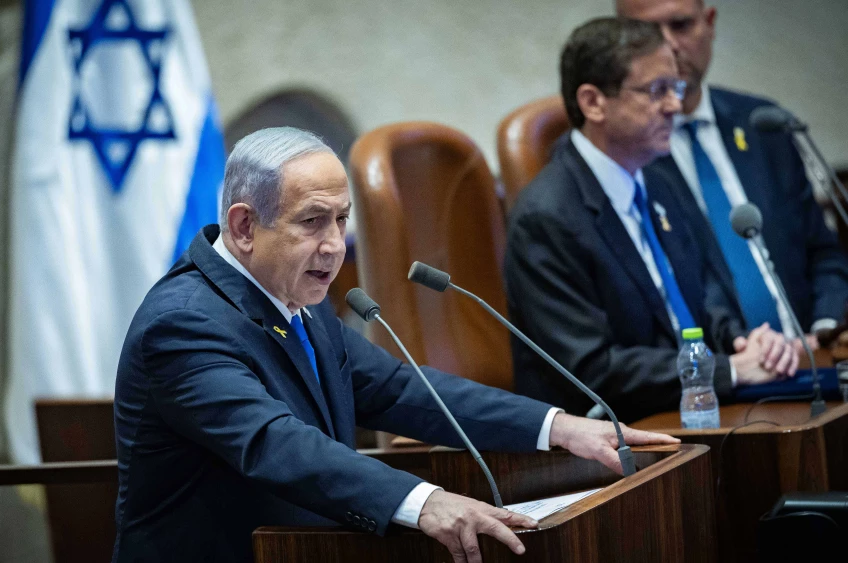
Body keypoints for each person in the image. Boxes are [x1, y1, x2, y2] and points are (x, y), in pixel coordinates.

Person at [112, 126, 677, 563]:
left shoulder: (295, 297)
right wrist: (424, 501)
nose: (334, 246)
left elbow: (404, 390)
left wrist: (563, 427)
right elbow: (272, 442)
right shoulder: (184, 325)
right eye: (312, 222)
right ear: (243, 227)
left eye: (341, 219)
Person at [504, 18, 797, 423]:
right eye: (657, 91)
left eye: (675, 88)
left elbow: (704, 293)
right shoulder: (546, 218)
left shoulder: (658, 181)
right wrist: (727, 370)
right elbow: (593, 368)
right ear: (593, 102)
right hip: (606, 440)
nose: (676, 106)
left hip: (685, 409)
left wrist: (742, 341)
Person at [616, 0, 848, 347]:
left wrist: (824, 330)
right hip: (719, 377)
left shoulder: (763, 123)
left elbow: (822, 252)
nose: (669, 46)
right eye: (649, 33)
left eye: (680, 25)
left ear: (708, 23)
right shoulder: (623, 151)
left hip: (815, 355)